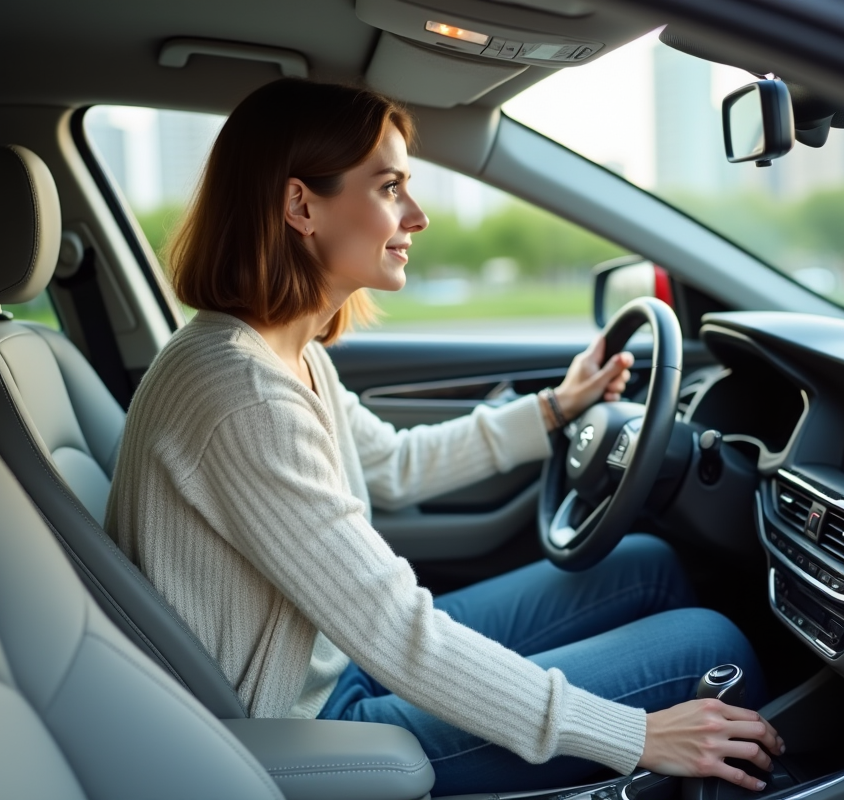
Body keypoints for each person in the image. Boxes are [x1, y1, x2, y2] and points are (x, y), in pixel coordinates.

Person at [106, 78, 782, 796]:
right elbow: (394, 627)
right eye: (390, 187)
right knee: (713, 648)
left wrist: (554, 408)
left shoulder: (276, 352)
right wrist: (635, 735)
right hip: (311, 717)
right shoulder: (242, 394)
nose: (417, 215)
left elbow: (393, 465)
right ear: (301, 205)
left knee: (646, 563)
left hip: (334, 655)